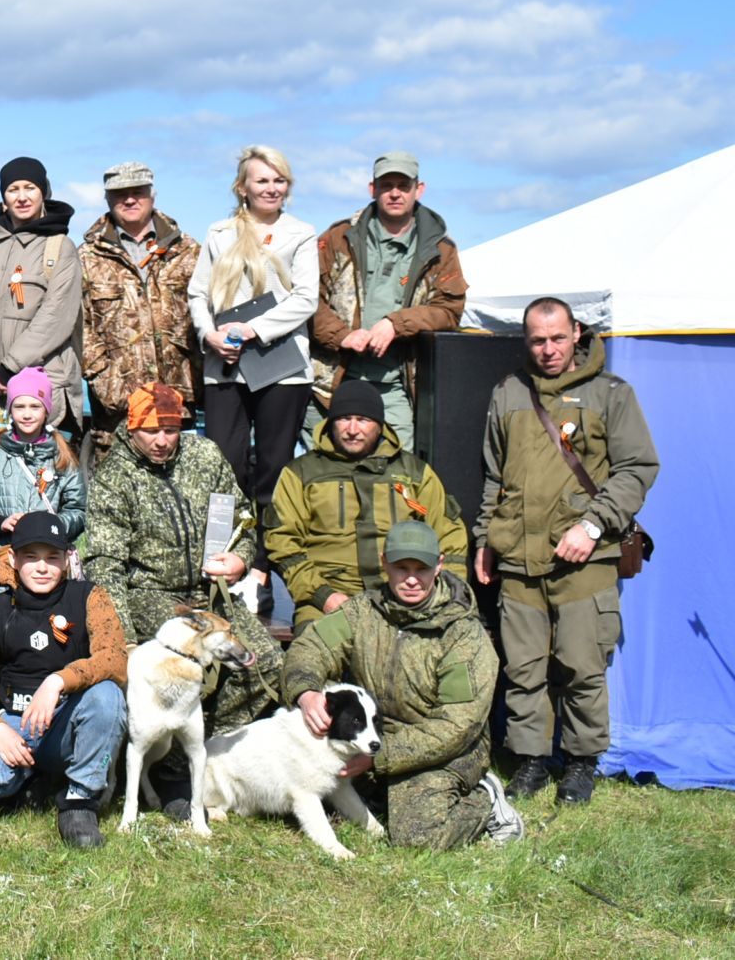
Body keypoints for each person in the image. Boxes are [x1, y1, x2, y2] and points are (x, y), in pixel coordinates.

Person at [474, 297, 658, 804]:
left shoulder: (610, 392)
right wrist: (485, 539)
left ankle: (581, 763)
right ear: (525, 340)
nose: (548, 349)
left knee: (581, 666)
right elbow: (495, 474)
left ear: (577, 332)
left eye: (558, 338)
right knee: (525, 668)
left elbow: (638, 468)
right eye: (537, 340)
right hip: (518, 557)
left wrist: (594, 527)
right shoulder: (509, 392)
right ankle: (532, 760)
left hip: (583, 560)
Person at [283, 520, 523, 848]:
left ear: (439, 565)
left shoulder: (464, 635)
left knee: (415, 835)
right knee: (311, 792)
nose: (411, 579)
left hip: (447, 751)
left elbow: (457, 726)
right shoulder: (362, 611)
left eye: (421, 568)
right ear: (384, 563)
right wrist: (306, 694)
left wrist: (381, 758)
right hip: (373, 737)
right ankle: (383, 792)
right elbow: (312, 646)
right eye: (401, 568)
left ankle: (486, 803)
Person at [82, 384, 281, 738]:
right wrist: (124, 638)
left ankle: (208, 744)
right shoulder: (114, 478)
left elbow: (242, 519)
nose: (162, 441)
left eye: (170, 430)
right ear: (131, 429)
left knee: (265, 662)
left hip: (212, 594)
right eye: (151, 431)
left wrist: (240, 559)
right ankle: (173, 761)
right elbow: (105, 565)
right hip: (151, 594)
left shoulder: (204, 455)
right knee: (182, 669)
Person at [0, 511, 128, 848]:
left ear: (66, 560)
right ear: (14, 560)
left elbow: (115, 659)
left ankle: (80, 799)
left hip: (66, 726)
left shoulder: (90, 597)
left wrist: (58, 681)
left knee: (108, 696)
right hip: (15, 726)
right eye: (31, 558)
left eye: (52, 557)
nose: (42, 567)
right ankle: (32, 780)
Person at [266, 378, 468, 631]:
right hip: (326, 598)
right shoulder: (301, 473)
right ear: (330, 423)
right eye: (343, 418)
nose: (352, 429)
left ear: (380, 425)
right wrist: (323, 595)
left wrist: (444, 594)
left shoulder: (413, 473)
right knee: (310, 660)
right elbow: (283, 543)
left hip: (402, 595)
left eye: (363, 420)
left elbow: (449, 534)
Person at [187, 144, 319, 512]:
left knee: (274, 468)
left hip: (282, 367)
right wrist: (208, 335)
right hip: (225, 366)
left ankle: (264, 560)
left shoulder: (302, 234)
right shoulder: (219, 233)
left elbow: (306, 299)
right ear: (242, 187)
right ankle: (227, 556)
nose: (272, 188)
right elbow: (197, 294)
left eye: (280, 180)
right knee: (225, 466)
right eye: (262, 180)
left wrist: (252, 330)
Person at [308, 151, 467, 447]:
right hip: (332, 384)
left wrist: (396, 324)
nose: (395, 193)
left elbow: (449, 310)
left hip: (396, 386)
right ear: (373, 189)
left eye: (403, 186)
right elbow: (307, 300)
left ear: (419, 189)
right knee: (323, 472)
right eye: (386, 185)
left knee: (398, 471)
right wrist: (342, 336)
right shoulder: (338, 237)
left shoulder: (441, 249)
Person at [77, 160, 201, 466]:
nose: (130, 199)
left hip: (178, 405)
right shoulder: (86, 257)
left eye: (138, 192)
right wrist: (114, 389)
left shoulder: (189, 251)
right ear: (107, 199)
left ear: (152, 194)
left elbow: (205, 318)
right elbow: (81, 328)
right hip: (118, 410)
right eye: (120, 194)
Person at [0, 157, 83, 431]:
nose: (22, 197)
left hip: (34, 396)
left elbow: (55, 319)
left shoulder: (59, 248)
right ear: (3, 198)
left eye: (30, 188)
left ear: (43, 192)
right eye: (13, 190)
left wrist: (7, 369)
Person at [0, 368, 86, 610]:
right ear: (9, 409)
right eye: (19, 406)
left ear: (46, 409)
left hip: (47, 562)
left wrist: (51, 525)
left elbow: (78, 510)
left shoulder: (62, 456)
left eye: (34, 407)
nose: (26, 414)